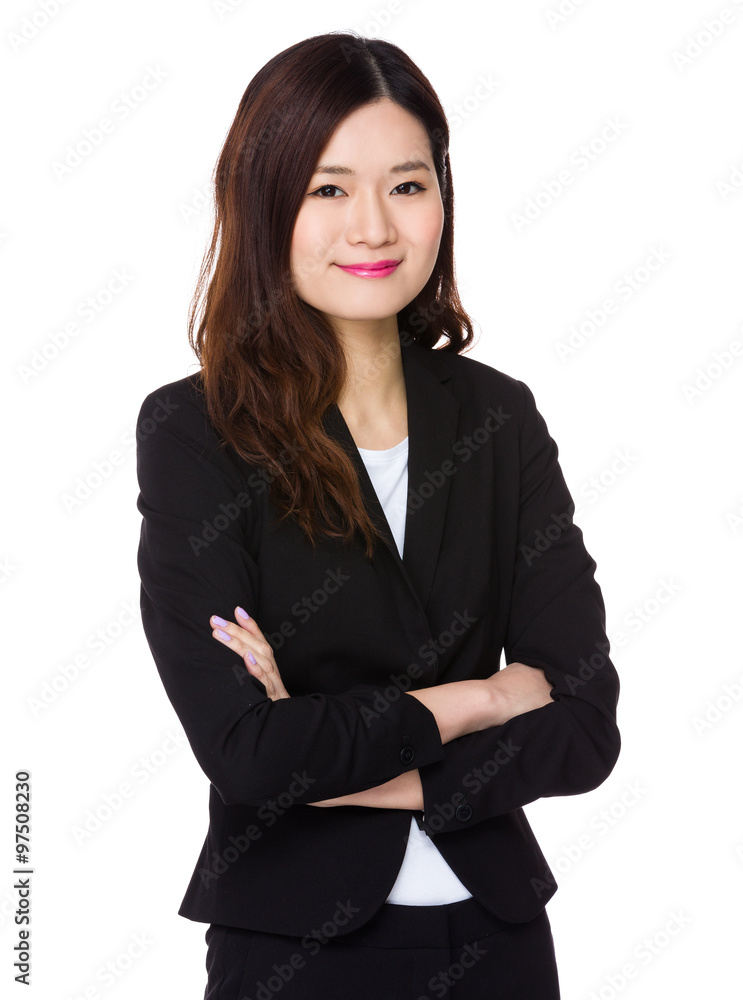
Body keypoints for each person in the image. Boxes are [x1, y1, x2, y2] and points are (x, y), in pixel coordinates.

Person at [135, 31, 621, 1000]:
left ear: (442, 197)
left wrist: (335, 761)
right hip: (294, 950)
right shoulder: (197, 431)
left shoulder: (497, 417)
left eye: (406, 184)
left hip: (498, 939)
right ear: (263, 201)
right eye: (328, 189)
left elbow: (582, 727)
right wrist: (483, 699)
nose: (373, 227)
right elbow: (246, 754)